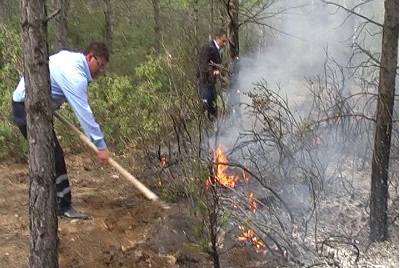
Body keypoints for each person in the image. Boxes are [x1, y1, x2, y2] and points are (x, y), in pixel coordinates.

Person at [11, 42, 110, 219]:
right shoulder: (75, 76)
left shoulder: (69, 57)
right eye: (99, 65)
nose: (100, 71)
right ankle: (62, 207)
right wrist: (100, 145)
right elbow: (84, 113)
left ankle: (55, 203)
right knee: (53, 157)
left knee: (52, 156)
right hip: (27, 109)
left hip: (34, 107)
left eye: (103, 67)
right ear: (89, 57)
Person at [196, 28, 228, 121]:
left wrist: (222, 75)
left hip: (211, 82)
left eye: (226, 41)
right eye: (223, 41)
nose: (225, 43)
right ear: (217, 38)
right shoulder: (208, 48)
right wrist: (213, 71)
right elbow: (202, 65)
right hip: (204, 81)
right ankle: (189, 122)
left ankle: (217, 130)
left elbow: (216, 65)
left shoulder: (218, 50)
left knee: (213, 107)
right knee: (205, 105)